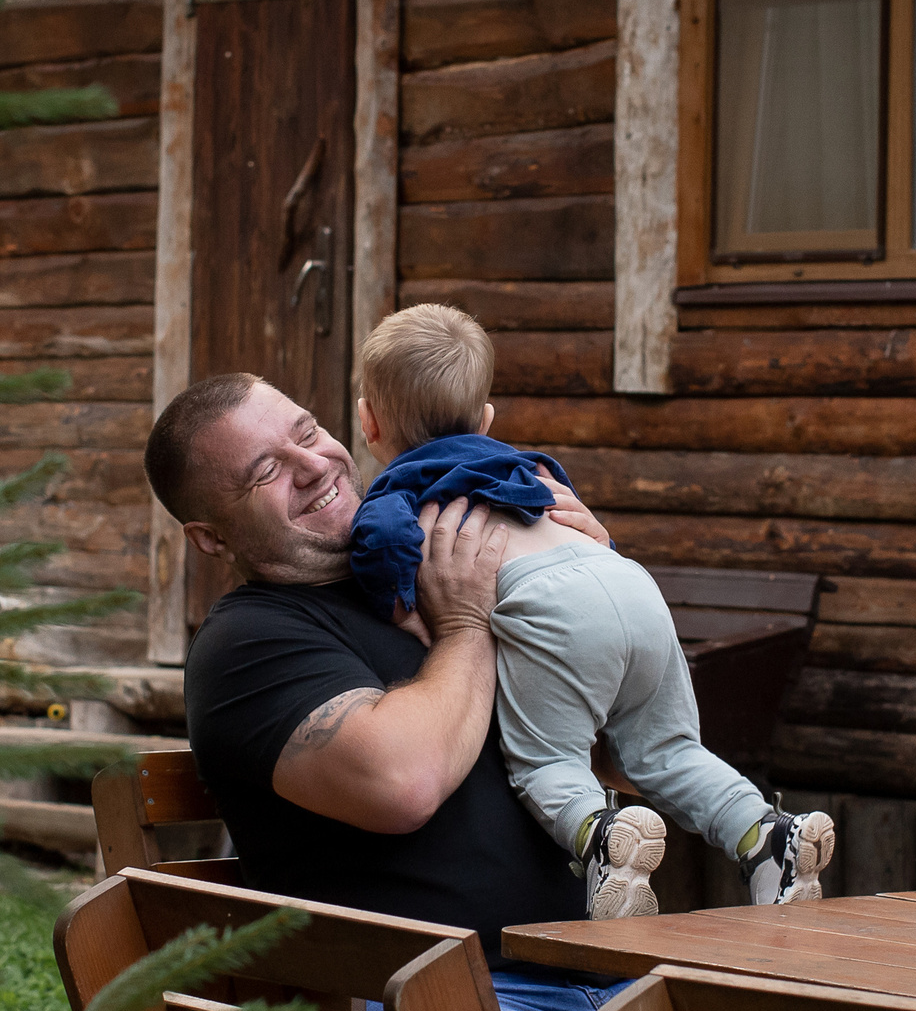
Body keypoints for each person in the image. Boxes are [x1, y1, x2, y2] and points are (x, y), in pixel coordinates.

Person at [143, 370, 762, 1011]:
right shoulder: (250, 643)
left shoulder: (428, 564)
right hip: (463, 1003)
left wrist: (584, 580)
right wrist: (470, 624)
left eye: (305, 432)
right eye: (265, 471)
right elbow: (405, 781)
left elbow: (623, 749)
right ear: (211, 535)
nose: (311, 465)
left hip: (615, 971)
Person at [346, 303, 833, 918]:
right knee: (668, 751)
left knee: (549, 761)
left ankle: (605, 842)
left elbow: (383, 544)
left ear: (368, 422)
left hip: (549, 606)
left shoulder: (401, 488)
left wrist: (402, 612)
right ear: (488, 419)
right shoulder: (531, 467)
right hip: (627, 583)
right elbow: (565, 508)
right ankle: (767, 837)